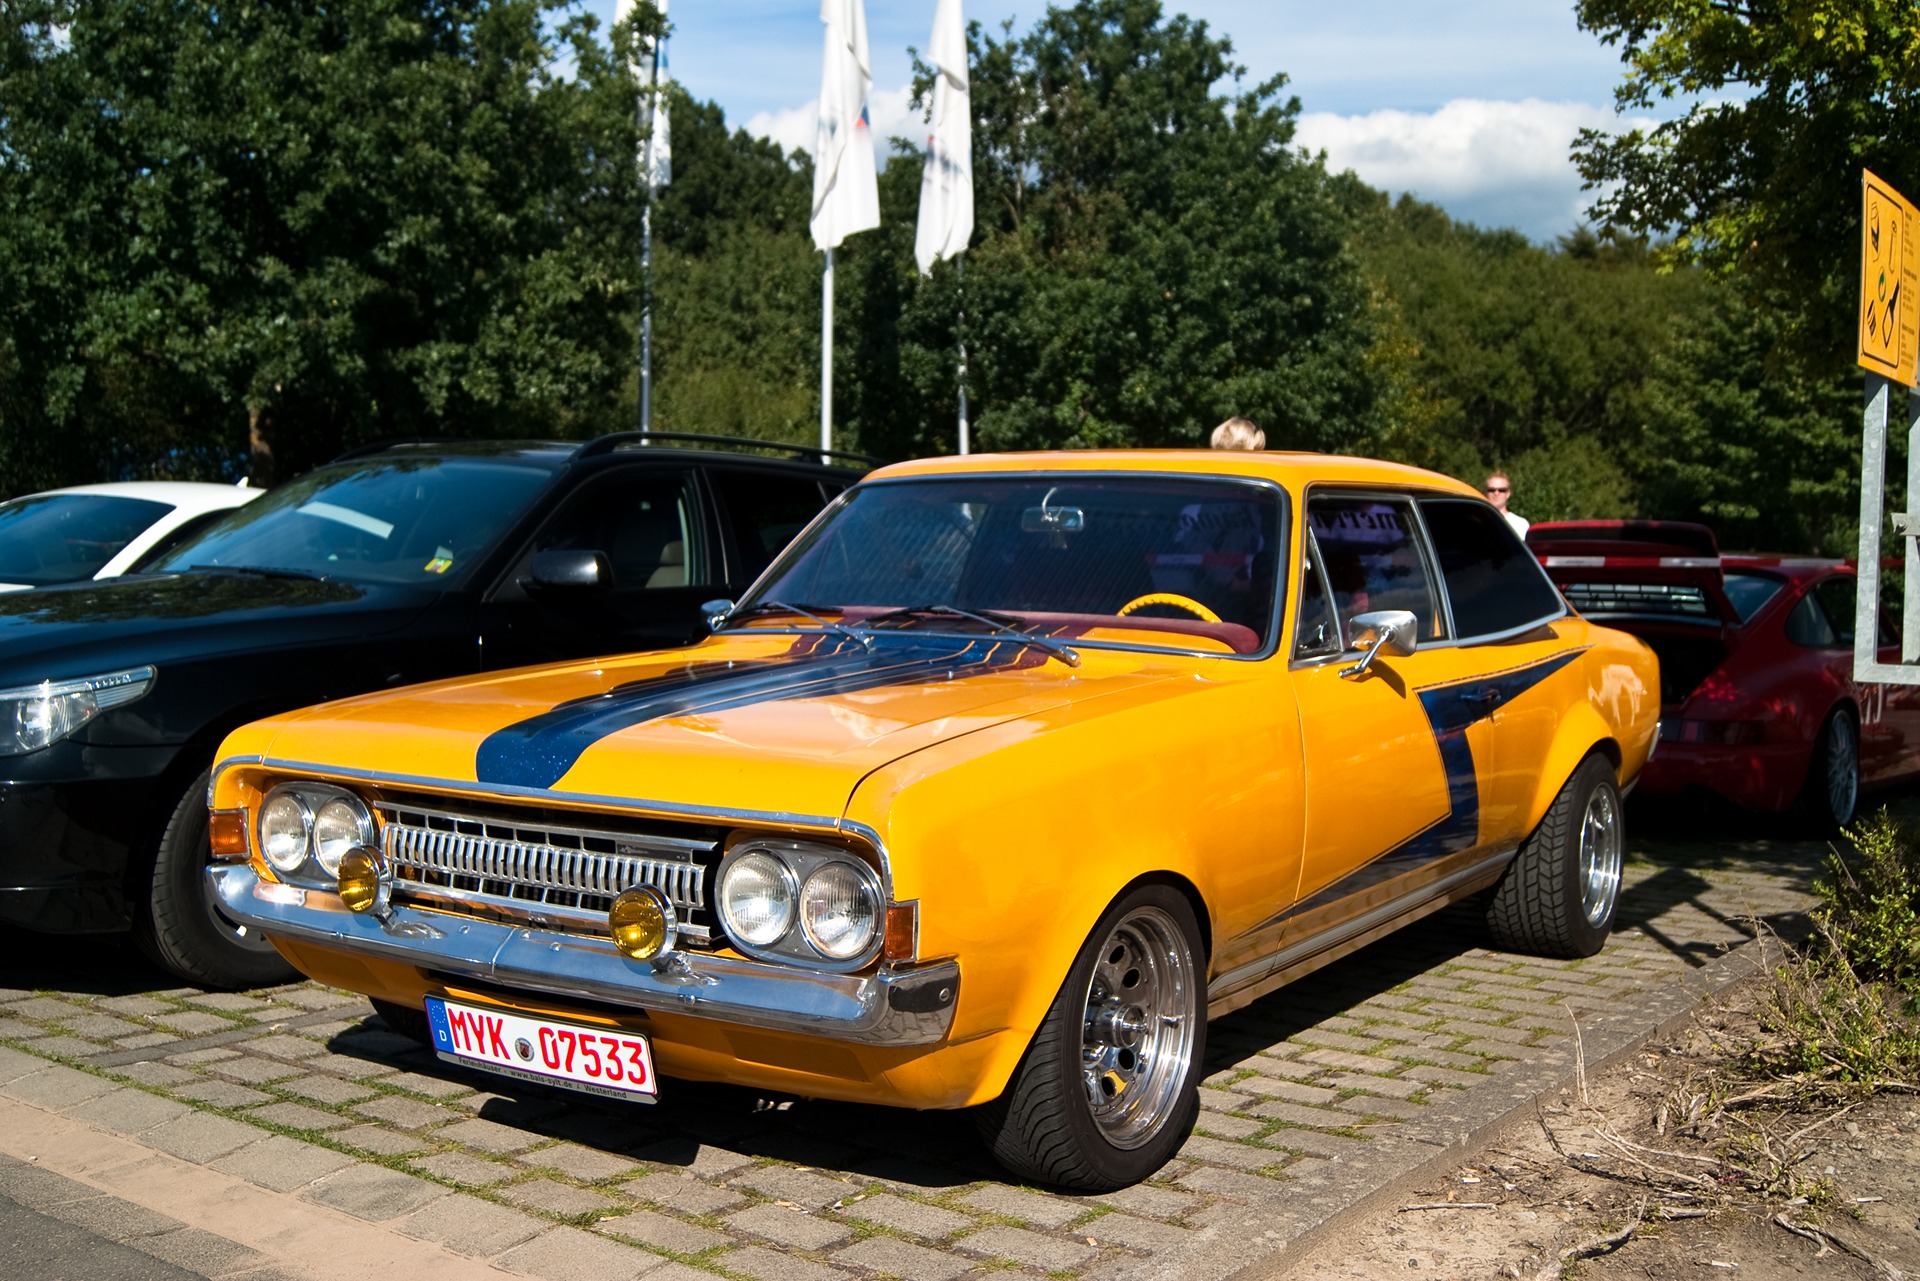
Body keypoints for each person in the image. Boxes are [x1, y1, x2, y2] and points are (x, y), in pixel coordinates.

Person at [1484, 471, 1528, 536]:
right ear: (1486, 492)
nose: (1496, 493)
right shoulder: (1478, 521)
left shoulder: (1520, 524)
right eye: (1491, 490)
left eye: (1501, 490)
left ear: (1508, 494)